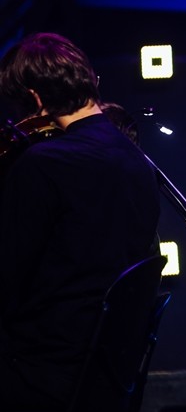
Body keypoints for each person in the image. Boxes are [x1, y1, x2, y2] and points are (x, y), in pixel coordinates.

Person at [0, 33, 161, 409]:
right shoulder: (137, 160)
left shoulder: (44, 164)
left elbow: (8, 278)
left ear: (36, 98)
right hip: (104, 371)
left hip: (43, 369)